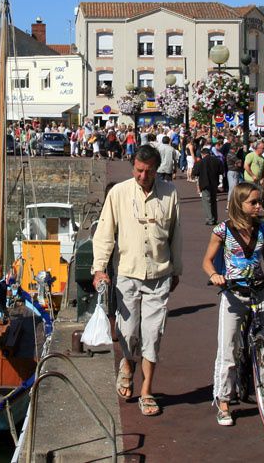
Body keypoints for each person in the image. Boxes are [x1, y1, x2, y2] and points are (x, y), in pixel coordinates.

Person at [92, 145, 182, 417]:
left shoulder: (170, 193)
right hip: (127, 274)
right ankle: (128, 363)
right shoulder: (118, 193)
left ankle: (147, 391)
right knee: (129, 331)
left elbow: (176, 234)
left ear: (157, 169)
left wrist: (176, 269)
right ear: (133, 167)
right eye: (139, 171)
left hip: (159, 274)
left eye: (149, 171)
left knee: (153, 335)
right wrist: (99, 269)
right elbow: (105, 232)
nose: (143, 176)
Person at [201, 183, 264, 426]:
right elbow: (208, 261)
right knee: (228, 348)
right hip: (233, 293)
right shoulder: (222, 230)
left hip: (258, 291)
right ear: (239, 204)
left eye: (259, 201)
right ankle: (223, 399)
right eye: (253, 202)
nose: (258, 206)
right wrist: (214, 275)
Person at [194, 147, 224, 226]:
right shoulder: (217, 161)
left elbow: (195, 172)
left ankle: (210, 219)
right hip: (214, 183)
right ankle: (215, 218)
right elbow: (221, 171)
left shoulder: (201, 162)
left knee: (206, 202)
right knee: (213, 201)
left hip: (204, 183)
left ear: (202, 154)